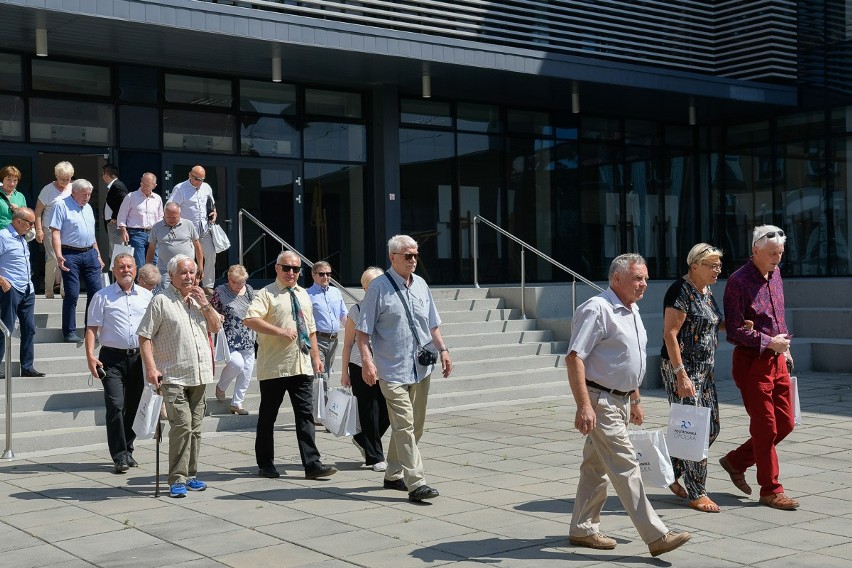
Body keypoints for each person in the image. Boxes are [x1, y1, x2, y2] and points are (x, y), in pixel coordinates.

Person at [566, 253, 690, 557]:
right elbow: (574, 357)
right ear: (616, 279)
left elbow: (626, 359)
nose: (644, 284)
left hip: (619, 400)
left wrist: (635, 399)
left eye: (645, 277)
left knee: (595, 468)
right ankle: (656, 535)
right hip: (600, 400)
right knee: (625, 466)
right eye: (637, 278)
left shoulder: (631, 310)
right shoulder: (598, 309)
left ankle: (582, 528)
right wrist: (584, 405)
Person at [356, 235, 452, 502]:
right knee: (404, 425)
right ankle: (416, 482)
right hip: (392, 370)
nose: (413, 260)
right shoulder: (377, 288)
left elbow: (432, 324)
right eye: (407, 255)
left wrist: (443, 350)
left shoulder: (421, 285)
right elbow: (363, 333)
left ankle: (393, 474)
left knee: (416, 426)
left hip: (421, 368)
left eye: (416, 255)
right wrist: (367, 361)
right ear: (392, 257)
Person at [721, 225, 798, 510]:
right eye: (771, 253)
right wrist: (768, 342)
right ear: (755, 249)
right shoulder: (738, 281)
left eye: (780, 253)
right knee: (766, 428)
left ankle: (736, 460)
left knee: (786, 423)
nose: (777, 258)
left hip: (777, 360)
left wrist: (785, 348)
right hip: (751, 362)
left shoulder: (776, 274)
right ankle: (770, 490)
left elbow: (779, 316)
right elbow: (733, 331)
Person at [243, 250, 337, 480]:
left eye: (296, 269)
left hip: (301, 364)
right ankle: (265, 463)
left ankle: (312, 464)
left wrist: (316, 357)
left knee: (305, 416)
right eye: (287, 268)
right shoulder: (266, 294)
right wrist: (280, 331)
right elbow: (250, 319)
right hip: (275, 366)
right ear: (277, 268)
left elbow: (311, 329)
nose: (291, 273)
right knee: (268, 417)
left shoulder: (303, 294)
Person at [137, 254, 221, 498]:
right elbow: (144, 336)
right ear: (171, 275)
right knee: (182, 425)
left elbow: (216, 327)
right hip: (172, 375)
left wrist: (205, 304)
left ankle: (191, 475)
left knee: (195, 428)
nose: (188, 277)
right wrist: (151, 368)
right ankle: (176, 479)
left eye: (192, 272)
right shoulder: (160, 301)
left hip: (199, 373)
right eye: (183, 272)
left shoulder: (198, 301)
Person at [660, 243, 724, 513]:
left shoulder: (706, 291)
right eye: (712, 265)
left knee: (712, 428)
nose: (718, 270)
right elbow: (670, 334)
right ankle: (697, 492)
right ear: (694, 265)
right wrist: (680, 375)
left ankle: (669, 470)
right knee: (694, 431)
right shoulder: (681, 291)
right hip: (682, 370)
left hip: (705, 370)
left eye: (719, 265)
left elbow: (708, 322)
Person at [84, 253, 153, 473]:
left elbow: (154, 329)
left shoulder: (147, 296)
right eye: (121, 267)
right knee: (116, 405)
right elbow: (92, 329)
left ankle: (128, 450)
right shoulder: (102, 296)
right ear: (114, 271)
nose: (125, 270)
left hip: (139, 357)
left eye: (129, 266)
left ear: (136, 269)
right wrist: (89, 356)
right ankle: (119, 455)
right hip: (111, 359)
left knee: (133, 407)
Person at [341, 266, 389, 472]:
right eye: (370, 286)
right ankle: (375, 457)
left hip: (386, 365)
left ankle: (362, 438)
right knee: (369, 411)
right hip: (360, 365)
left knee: (387, 410)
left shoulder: (389, 307)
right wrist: (344, 372)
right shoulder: (357, 310)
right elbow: (348, 344)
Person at [50, 179, 104, 343]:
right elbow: (55, 232)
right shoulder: (61, 205)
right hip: (69, 253)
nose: (87, 197)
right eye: (84, 194)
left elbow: (90, 234)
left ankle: (91, 329)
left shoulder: (87, 208)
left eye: (89, 194)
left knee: (96, 293)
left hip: (89, 253)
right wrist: (58, 255)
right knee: (72, 294)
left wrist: (98, 255)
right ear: (74, 192)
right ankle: (69, 331)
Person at [0, 207, 43, 379]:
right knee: (6, 328)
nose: (32, 227)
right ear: (18, 221)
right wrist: (2, 281)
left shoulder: (22, 238)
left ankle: (27, 366)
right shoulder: (3, 236)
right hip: (10, 289)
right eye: (30, 223)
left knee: (29, 328)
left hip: (27, 289)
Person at [212, 264, 256, 415]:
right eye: (236, 282)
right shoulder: (220, 291)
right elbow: (210, 310)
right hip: (229, 335)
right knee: (237, 364)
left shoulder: (249, 290)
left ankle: (237, 403)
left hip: (247, 335)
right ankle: (221, 387)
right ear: (229, 279)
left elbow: (255, 309)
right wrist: (218, 316)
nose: (239, 285)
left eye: (242, 282)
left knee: (247, 370)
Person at [167, 166, 217, 291]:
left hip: (204, 229)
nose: (200, 182)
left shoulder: (207, 187)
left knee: (210, 255)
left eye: (202, 179)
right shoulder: (180, 188)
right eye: (197, 179)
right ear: (190, 175)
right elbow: (171, 207)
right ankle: (189, 285)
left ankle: (208, 286)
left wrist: (214, 213)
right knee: (188, 259)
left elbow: (212, 204)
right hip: (187, 231)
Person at [35, 160, 74, 298]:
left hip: (67, 229)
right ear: (56, 176)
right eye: (62, 179)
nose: (65, 182)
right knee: (52, 258)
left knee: (66, 258)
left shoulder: (72, 188)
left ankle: (65, 291)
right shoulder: (48, 190)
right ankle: (49, 291)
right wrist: (38, 230)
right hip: (49, 228)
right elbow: (38, 211)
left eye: (68, 179)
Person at [307, 261, 347, 391]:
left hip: (334, 341)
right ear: (313, 275)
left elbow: (343, 315)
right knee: (321, 375)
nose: (326, 277)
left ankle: (320, 406)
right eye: (322, 274)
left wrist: (355, 334)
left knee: (327, 373)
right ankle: (322, 409)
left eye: (328, 274)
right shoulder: (308, 295)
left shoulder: (336, 292)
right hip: (317, 340)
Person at [146, 202, 202, 289]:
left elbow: (197, 246)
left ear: (180, 214)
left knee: (188, 292)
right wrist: (148, 268)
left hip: (187, 269)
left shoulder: (188, 224)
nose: (171, 219)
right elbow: (151, 249)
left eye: (174, 217)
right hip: (165, 270)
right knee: (165, 294)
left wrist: (200, 267)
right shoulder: (156, 227)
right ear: (164, 215)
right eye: (168, 217)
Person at [117, 173, 164, 272]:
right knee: (140, 263)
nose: (144, 187)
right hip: (136, 234)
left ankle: (153, 286)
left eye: (148, 185)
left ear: (154, 186)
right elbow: (122, 215)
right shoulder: (131, 196)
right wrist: (123, 230)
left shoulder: (158, 199)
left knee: (155, 262)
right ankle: (140, 285)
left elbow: (160, 216)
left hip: (153, 233)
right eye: (143, 184)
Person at [102, 164, 129, 251]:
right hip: (112, 224)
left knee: (117, 251)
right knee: (114, 250)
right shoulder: (114, 186)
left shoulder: (117, 185)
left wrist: (115, 217)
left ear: (106, 174)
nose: (102, 177)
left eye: (103, 174)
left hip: (115, 224)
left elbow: (124, 202)